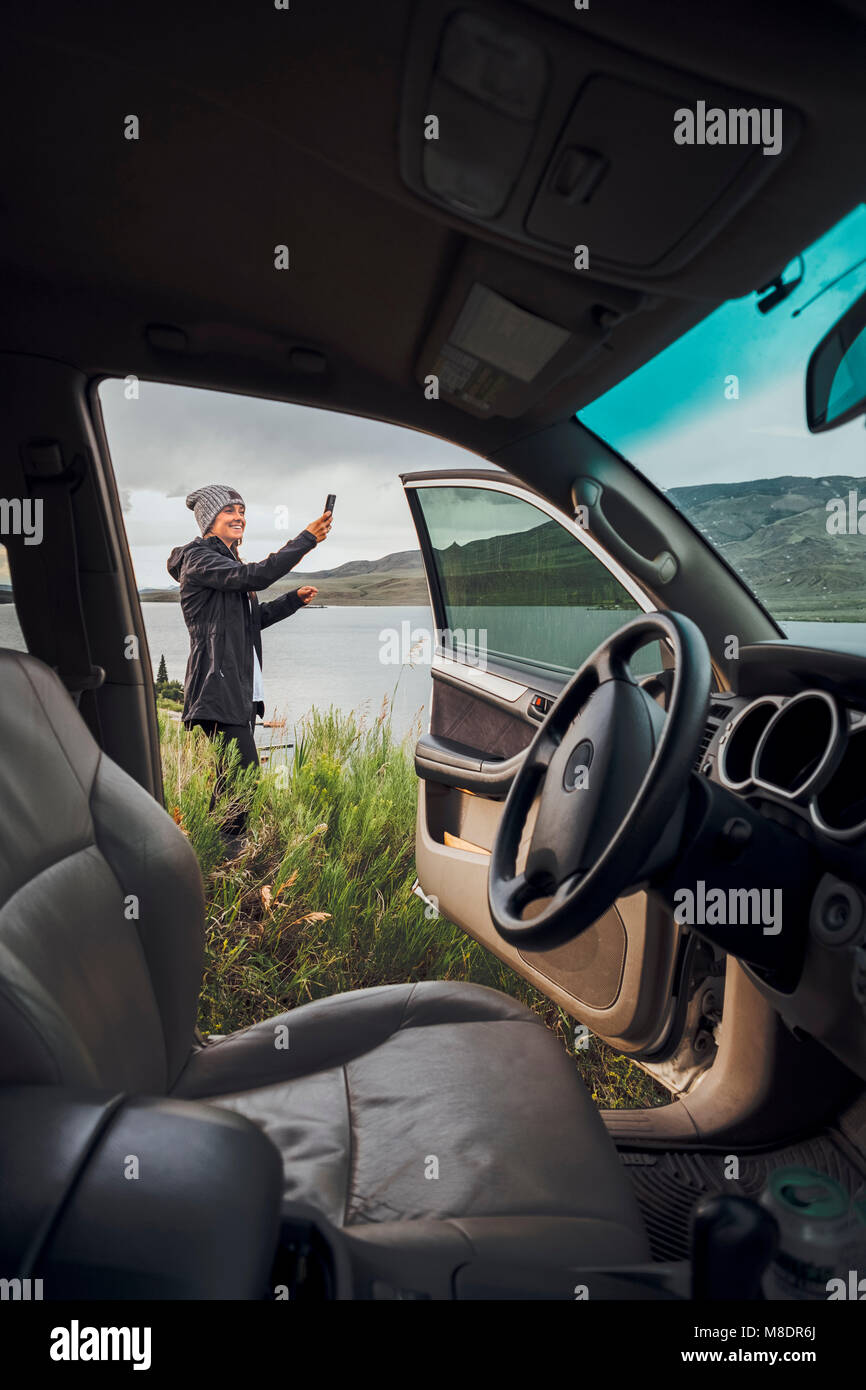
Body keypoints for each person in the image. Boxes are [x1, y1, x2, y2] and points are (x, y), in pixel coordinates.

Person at [167, 484, 331, 853]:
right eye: (229, 512)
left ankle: (211, 852)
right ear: (209, 520)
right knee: (242, 775)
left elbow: (252, 621)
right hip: (216, 687)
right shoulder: (200, 559)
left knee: (232, 777)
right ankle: (226, 851)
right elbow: (256, 576)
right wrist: (307, 539)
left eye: (242, 512)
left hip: (238, 691)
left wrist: (292, 601)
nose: (239, 517)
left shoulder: (227, 564)